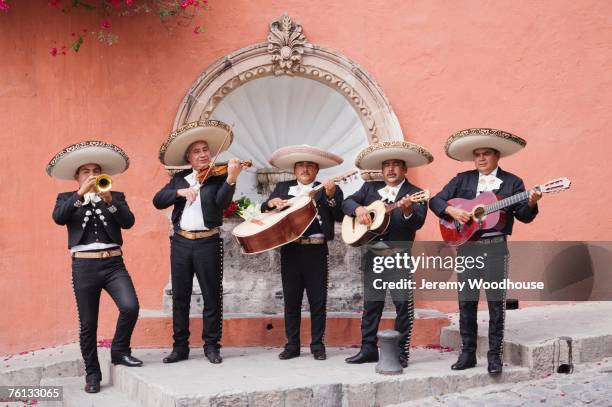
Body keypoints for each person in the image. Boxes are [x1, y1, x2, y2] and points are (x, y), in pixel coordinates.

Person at [429, 128, 541, 374]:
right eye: (477, 154)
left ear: (497, 156)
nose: (481, 158)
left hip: (495, 248)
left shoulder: (513, 183)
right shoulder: (462, 179)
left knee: (495, 305)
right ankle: (467, 354)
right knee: (466, 303)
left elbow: (524, 216)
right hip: (467, 248)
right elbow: (435, 201)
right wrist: (453, 211)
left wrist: (531, 201)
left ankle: (494, 357)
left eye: (486, 154)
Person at [48, 141, 142, 393]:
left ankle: (120, 351)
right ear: (77, 177)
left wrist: (109, 200)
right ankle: (92, 373)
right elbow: (59, 218)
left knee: (131, 306)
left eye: (96, 171)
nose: (92, 175)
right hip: (84, 267)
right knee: (88, 324)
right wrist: (80, 195)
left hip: (114, 264)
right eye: (86, 171)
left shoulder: (115, 196)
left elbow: (128, 222)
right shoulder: (66, 198)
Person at [153, 121, 243, 364]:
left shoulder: (218, 178)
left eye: (206, 150)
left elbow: (222, 203)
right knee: (180, 296)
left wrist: (232, 179)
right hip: (181, 242)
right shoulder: (179, 179)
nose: (203, 154)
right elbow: (158, 200)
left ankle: (211, 346)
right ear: (189, 158)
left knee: (212, 295)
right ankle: (179, 347)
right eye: (197, 151)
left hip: (207, 242)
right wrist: (179, 193)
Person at [342, 141, 433, 368]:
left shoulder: (416, 194)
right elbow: (346, 202)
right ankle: (368, 349)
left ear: (404, 170)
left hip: (399, 255)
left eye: (396, 165)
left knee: (403, 305)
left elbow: (418, 222)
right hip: (373, 255)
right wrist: (358, 209)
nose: (391, 169)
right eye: (387, 166)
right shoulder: (370, 190)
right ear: (382, 170)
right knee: (372, 305)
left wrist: (408, 210)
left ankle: (401, 353)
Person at [261, 145, 344, 360]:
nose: (305, 169)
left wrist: (332, 195)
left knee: (318, 301)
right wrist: (271, 203)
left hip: (316, 251)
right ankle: (292, 345)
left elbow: (339, 214)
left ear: (316, 170)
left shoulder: (327, 188)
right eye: (301, 165)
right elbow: (265, 209)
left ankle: (317, 346)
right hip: (290, 251)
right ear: (294, 170)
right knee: (291, 300)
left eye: (310, 166)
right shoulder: (282, 187)